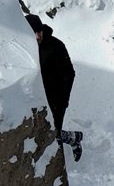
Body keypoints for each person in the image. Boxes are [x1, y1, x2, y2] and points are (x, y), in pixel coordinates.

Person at [26, 14, 83, 160]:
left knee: (52, 133)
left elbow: (69, 74)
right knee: (45, 130)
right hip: (37, 97)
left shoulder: (56, 46)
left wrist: (62, 99)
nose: (38, 35)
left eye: (39, 31)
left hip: (56, 98)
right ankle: (72, 137)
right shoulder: (27, 47)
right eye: (34, 32)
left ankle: (58, 169)